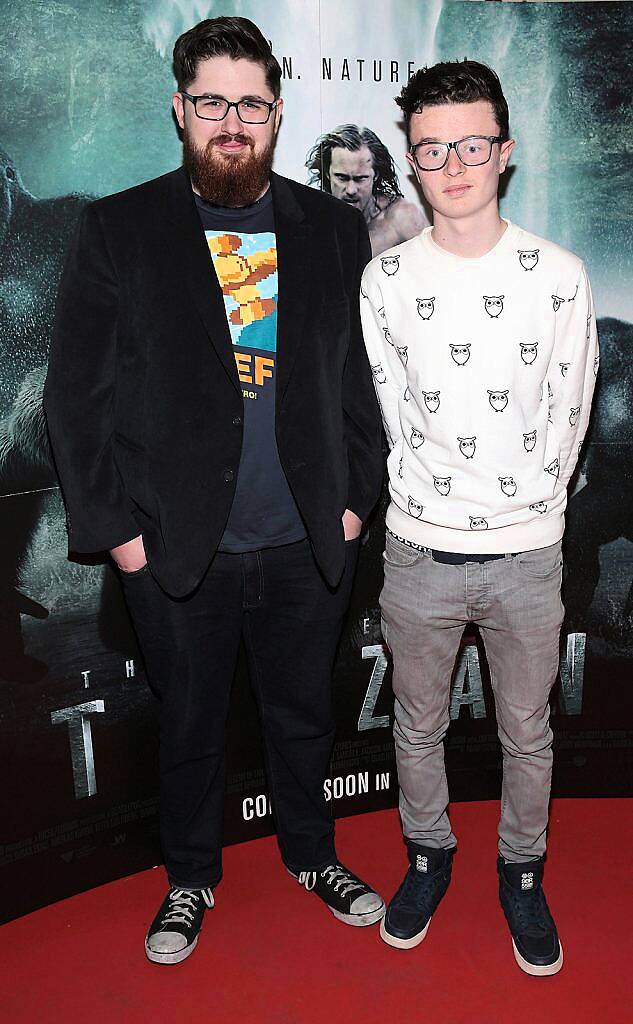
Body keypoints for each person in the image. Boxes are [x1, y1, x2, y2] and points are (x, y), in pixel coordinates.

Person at [44, 16, 385, 965]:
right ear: (179, 110)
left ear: (276, 114)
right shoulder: (119, 226)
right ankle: (190, 878)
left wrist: (355, 503)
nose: (230, 121)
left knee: (305, 717)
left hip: (308, 541)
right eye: (211, 103)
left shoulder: (329, 230)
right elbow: (75, 400)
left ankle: (313, 855)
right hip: (172, 551)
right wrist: (120, 539)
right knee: (188, 729)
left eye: (250, 103)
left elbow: (362, 384)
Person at [360, 60, 598, 976]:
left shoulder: (559, 276)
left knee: (526, 732)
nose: (451, 162)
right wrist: (430, 512)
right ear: (413, 164)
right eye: (431, 148)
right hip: (418, 550)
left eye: (470, 143)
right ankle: (427, 856)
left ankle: (522, 872)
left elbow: (569, 414)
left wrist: (525, 520)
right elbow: (387, 412)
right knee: (414, 728)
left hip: (528, 556)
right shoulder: (384, 282)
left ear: (504, 152)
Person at [306, 125, 428, 256]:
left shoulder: (402, 217)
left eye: (360, 178)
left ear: (375, 175)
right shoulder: (311, 221)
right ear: (327, 174)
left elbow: (439, 268)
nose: (351, 190)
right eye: (342, 177)